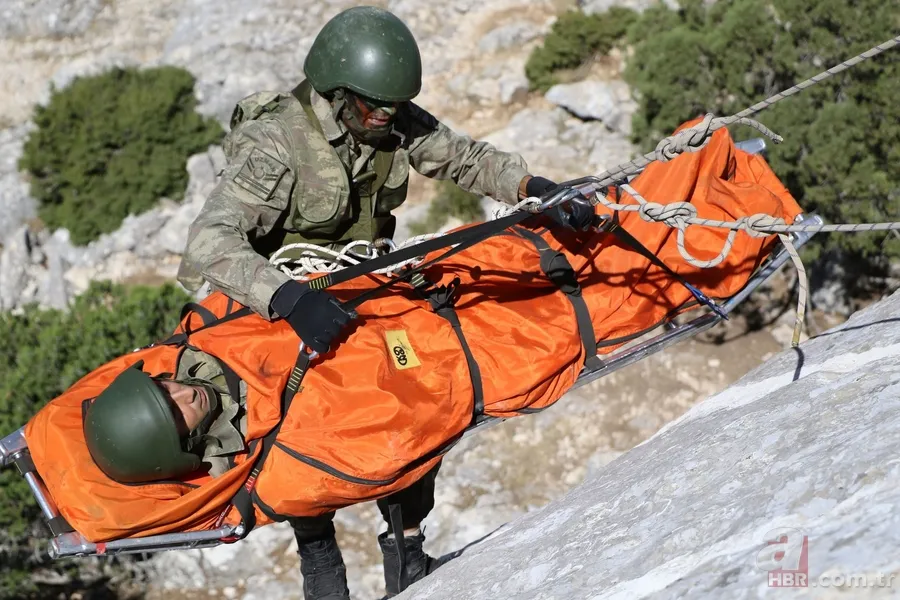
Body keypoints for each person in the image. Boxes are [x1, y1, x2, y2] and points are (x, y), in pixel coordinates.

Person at [173, 6, 591, 598]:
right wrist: (287, 298)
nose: (386, 118)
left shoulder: (386, 116)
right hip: (283, 298)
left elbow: (463, 158)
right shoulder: (276, 143)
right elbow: (209, 243)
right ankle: (319, 560)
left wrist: (532, 189)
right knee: (303, 420)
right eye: (374, 108)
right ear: (339, 94)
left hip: (364, 281)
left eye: (393, 108)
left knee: (424, 385)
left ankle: (408, 552)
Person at [83, 350, 442, 600]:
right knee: (298, 490)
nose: (186, 394)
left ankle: (405, 549)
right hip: (315, 445)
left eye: (165, 388)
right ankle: (368, 553)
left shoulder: (201, 354)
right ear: (184, 445)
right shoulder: (227, 464)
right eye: (177, 416)